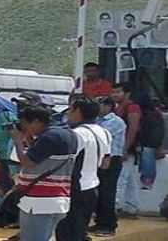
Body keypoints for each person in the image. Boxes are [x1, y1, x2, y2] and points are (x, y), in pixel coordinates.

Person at [9, 106, 78, 241]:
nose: (24, 128)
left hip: (39, 201)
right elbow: (43, 156)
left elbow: (28, 162)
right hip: (59, 199)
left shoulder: (49, 137)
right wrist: (30, 139)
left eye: (25, 124)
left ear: (36, 121)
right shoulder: (68, 134)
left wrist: (17, 142)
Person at [55, 96, 112, 241]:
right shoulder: (104, 132)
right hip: (92, 186)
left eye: (71, 109)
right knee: (80, 231)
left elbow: (65, 162)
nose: (68, 113)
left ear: (78, 111)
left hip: (74, 189)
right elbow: (106, 163)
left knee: (67, 232)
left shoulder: (76, 134)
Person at [91, 96, 127, 237]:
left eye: (99, 105)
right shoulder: (97, 120)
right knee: (98, 192)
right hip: (100, 158)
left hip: (112, 159)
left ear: (108, 106)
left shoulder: (115, 122)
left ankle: (108, 225)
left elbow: (100, 135)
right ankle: (100, 221)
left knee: (107, 193)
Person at [113, 83, 143, 219]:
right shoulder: (120, 108)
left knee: (121, 177)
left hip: (127, 148)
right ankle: (131, 207)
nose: (114, 94)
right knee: (129, 178)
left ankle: (116, 206)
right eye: (113, 92)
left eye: (118, 92)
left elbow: (133, 128)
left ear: (127, 94)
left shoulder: (132, 108)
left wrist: (125, 147)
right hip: (127, 147)